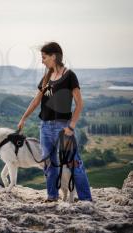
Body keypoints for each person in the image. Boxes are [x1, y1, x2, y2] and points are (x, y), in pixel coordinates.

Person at [17, 41, 92, 202]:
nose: (42, 60)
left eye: (44, 57)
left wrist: (71, 126)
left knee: (74, 163)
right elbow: (36, 101)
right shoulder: (47, 77)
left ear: (54, 56)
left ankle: (86, 200)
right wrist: (23, 118)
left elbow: (79, 104)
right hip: (45, 126)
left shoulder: (69, 76)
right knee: (49, 163)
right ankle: (52, 196)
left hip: (63, 127)